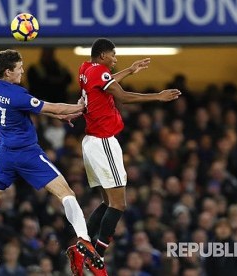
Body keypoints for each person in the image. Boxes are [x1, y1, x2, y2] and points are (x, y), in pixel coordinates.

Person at [0, 49, 105, 272]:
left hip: (3, 153)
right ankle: (85, 240)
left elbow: (34, 109)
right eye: (19, 68)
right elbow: (51, 106)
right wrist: (81, 107)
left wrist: (59, 115)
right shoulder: (18, 95)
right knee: (66, 194)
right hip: (26, 153)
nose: (23, 70)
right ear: (8, 72)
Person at [66, 38, 181, 276]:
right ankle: (97, 255)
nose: (115, 60)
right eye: (113, 55)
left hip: (91, 142)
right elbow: (123, 97)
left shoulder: (85, 69)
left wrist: (130, 70)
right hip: (104, 141)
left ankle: (83, 244)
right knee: (119, 204)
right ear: (101, 56)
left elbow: (104, 84)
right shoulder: (99, 71)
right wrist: (158, 96)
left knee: (108, 203)